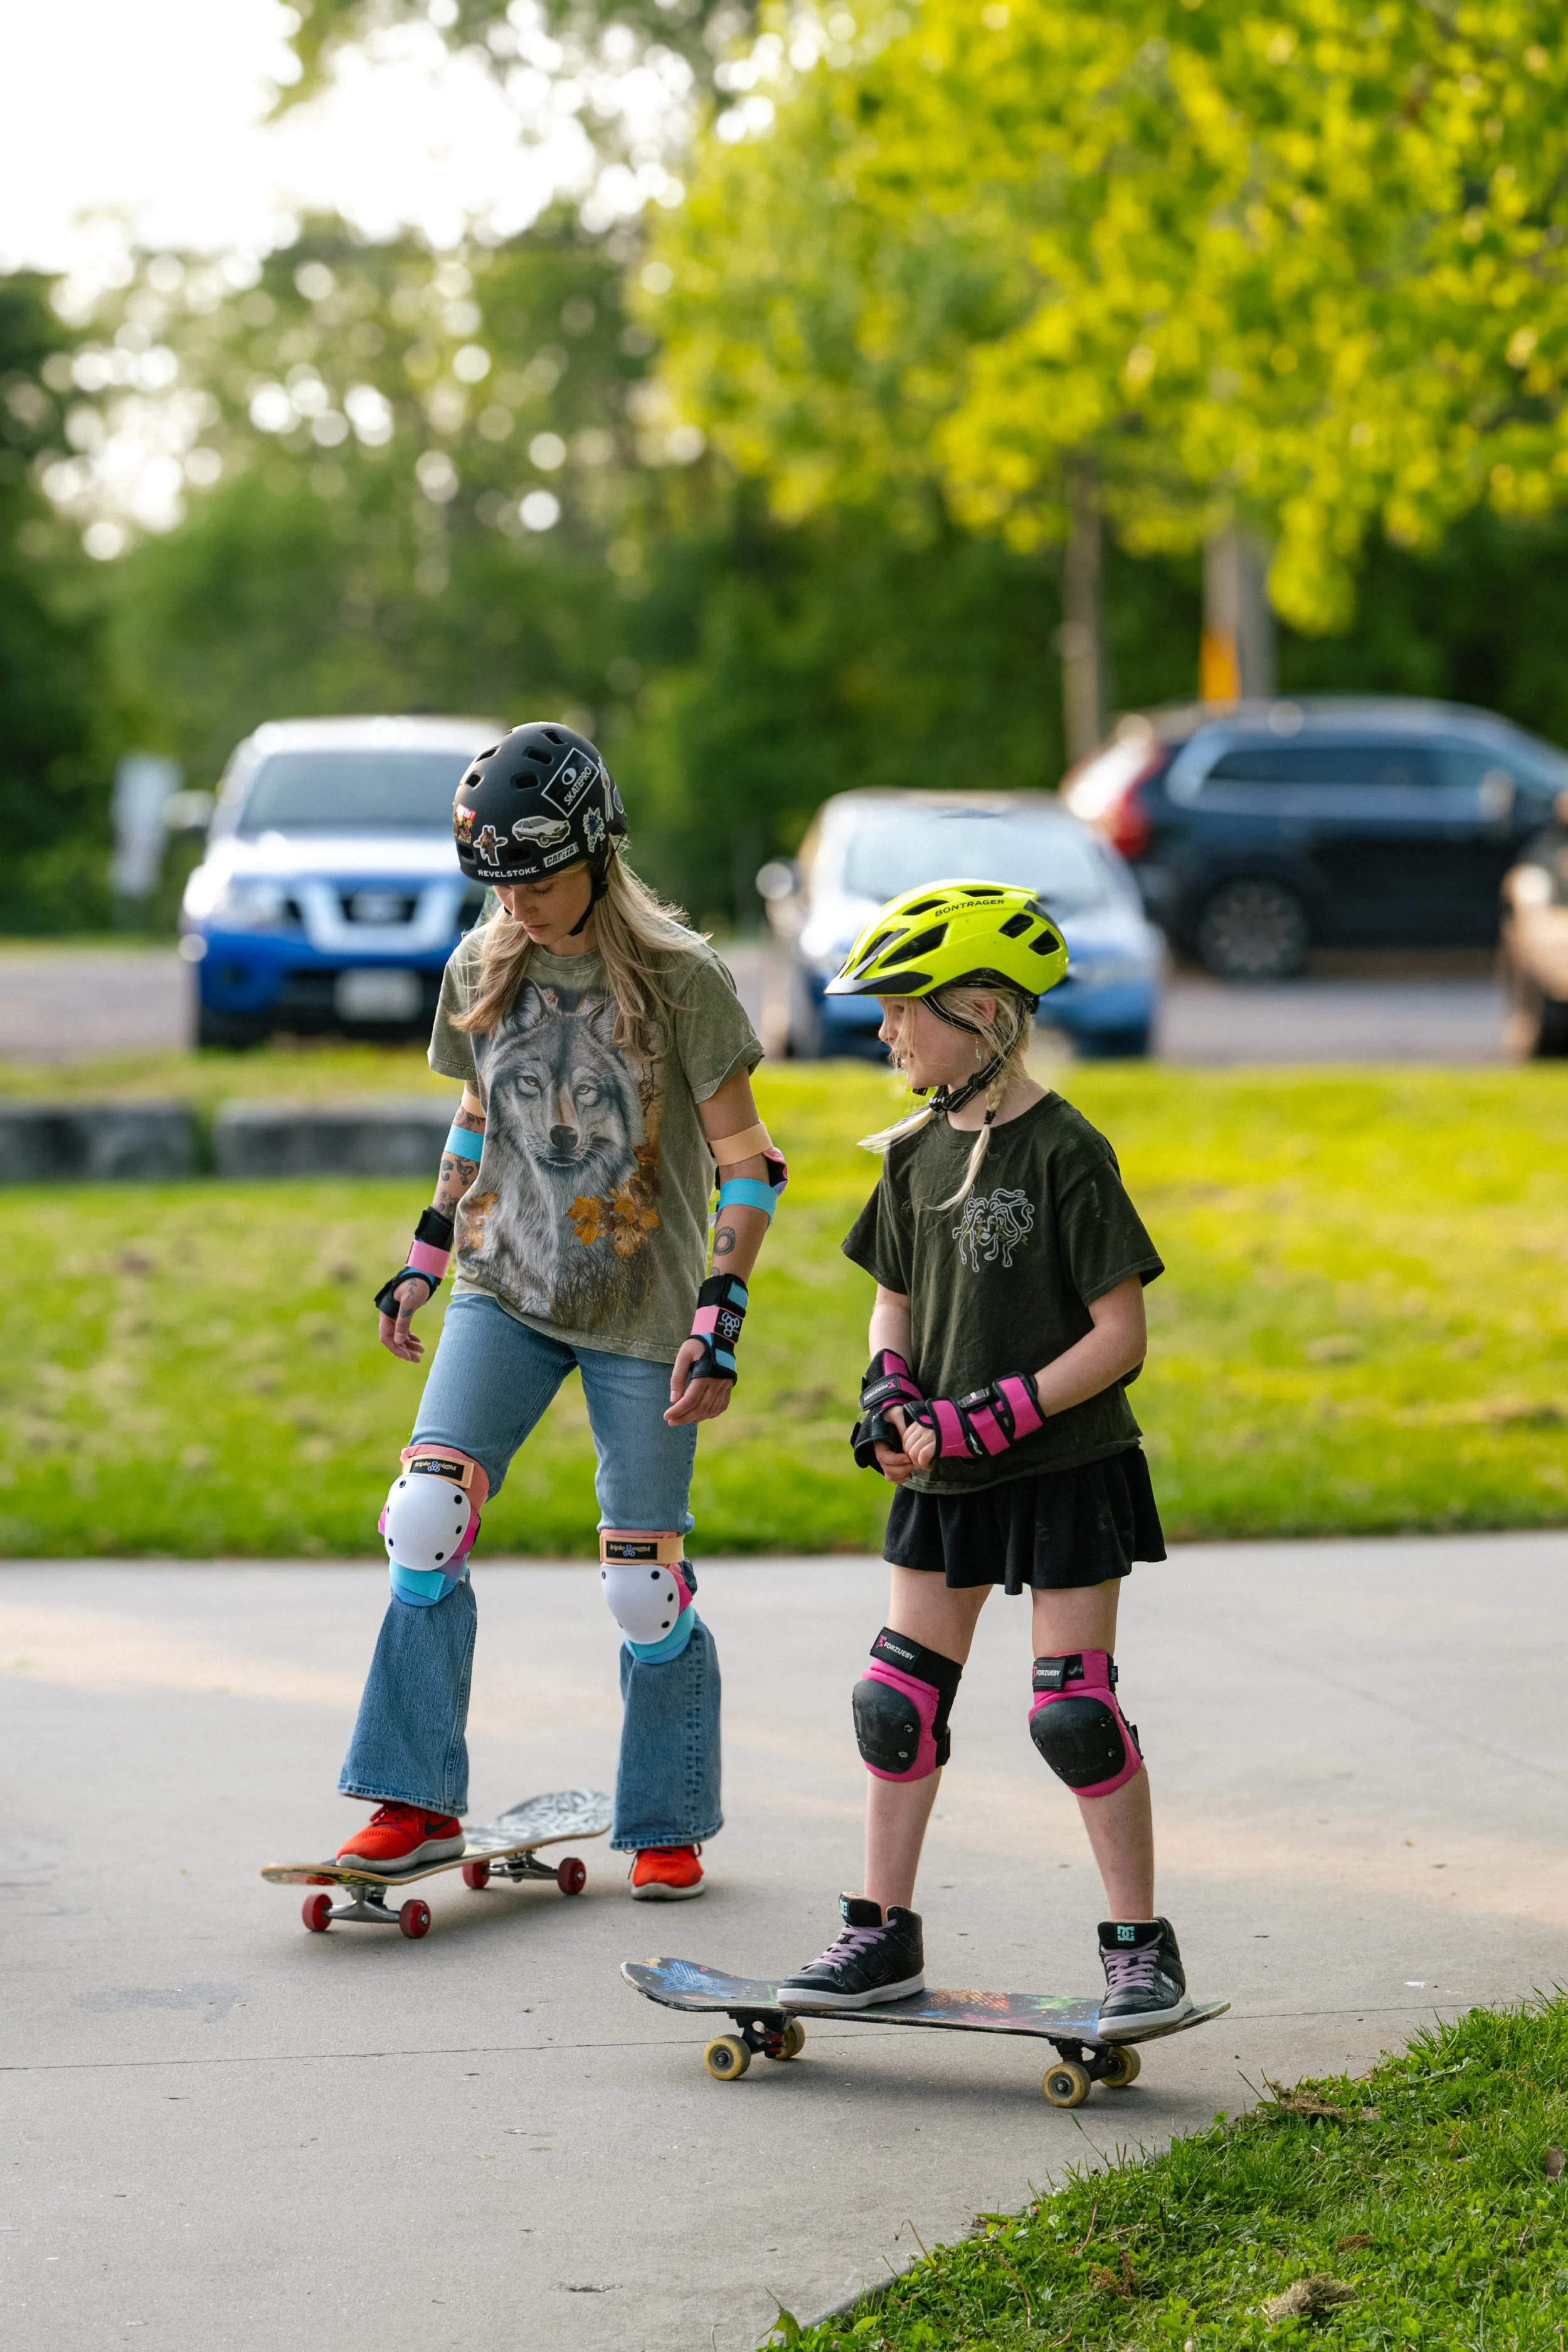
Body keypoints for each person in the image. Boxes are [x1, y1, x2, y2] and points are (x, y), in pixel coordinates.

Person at [333, 723, 784, 1900]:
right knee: (423, 1517)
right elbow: (477, 1117)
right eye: (497, 883)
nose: (517, 905)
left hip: (644, 1307)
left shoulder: (682, 975)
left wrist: (719, 1315)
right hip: (506, 1284)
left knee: (643, 1583)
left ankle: (670, 1815)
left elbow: (749, 1160)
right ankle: (415, 1795)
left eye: (535, 880)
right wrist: (428, 1251)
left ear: (595, 850)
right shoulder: (486, 963)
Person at [778, 880, 1189, 2023]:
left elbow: (1121, 1334)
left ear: (984, 1015)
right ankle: (880, 1934)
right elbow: (892, 1303)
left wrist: (999, 1411)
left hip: (1065, 1466)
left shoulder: (1067, 1151)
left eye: (903, 1005)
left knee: (1073, 1710)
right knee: (894, 1701)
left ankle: (1140, 1946)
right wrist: (889, 1393)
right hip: (945, 1473)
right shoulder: (910, 1154)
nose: (883, 1029)